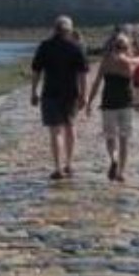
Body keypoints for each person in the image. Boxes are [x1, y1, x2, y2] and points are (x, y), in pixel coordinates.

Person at [31, 15, 89, 180]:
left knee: (55, 131)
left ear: (55, 29)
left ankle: (58, 168)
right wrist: (84, 95)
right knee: (70, 128)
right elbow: (83, 74)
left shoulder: (45, 46)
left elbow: (36, 71)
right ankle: (68, 164)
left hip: (50, 93)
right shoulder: (76, 47)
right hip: (70, 94)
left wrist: (34, 91)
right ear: (70, 30)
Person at [86, 32, 139, 183]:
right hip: (125, 103)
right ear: (126, 47)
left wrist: (89, 102)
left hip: (108, 103)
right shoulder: (129, 62)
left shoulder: (106, 61)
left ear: (113, 46)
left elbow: (96, 83)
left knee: (110, 137)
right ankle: (121, 173)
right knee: (124, 139)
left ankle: (113, 158)